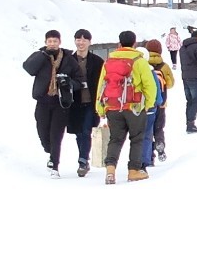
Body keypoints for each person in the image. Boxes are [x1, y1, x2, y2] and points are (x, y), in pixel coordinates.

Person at [95, 29, 158, 184]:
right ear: (134, 44)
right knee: (137, 138)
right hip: (134, 107)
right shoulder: (139, 60)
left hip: (113, 106)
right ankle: (133, 171)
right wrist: (149, 104)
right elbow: (150, 86)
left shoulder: (109, 61)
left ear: (119, 44)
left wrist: (100, 107)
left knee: (115, 139)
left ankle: (110, 171)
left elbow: (101, 85)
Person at [22, 29, 71, 175]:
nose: (52, 44)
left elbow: (77, 77)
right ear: (45, 42)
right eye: (49, 41)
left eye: (55, 41)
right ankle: (49, 149)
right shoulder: (40, 55)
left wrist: (67, 83)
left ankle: (54, 163)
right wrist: (43, 55)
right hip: (43, 100)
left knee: (56, 133)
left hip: (60, 102)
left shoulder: (67, 57)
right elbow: (29, 69)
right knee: (43, 131)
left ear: (60, 42)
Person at [64, 29, 98, 176]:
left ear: (90, 42)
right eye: (78, 39)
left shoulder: (97, 61)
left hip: (91, 102)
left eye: (84, 39)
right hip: (74, 102)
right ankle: (83, 157)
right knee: (78, 132)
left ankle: (82, 160)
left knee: (86, 130)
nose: (81, 42)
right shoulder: (68, 60)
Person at [142, 38, 176, 169]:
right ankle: (160, 142)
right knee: (159, 127)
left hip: (147, 104)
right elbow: (171, 84)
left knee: (147, 129)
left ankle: (149, 156)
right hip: (161, 104)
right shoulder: (164, 66)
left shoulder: (143, 64)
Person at [178, 26, 197, 132]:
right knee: (196, 101)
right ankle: (191, 124)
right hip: (194, 76)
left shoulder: (183, 47)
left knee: (189, 101)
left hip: (185, 76)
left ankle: (189, 123)